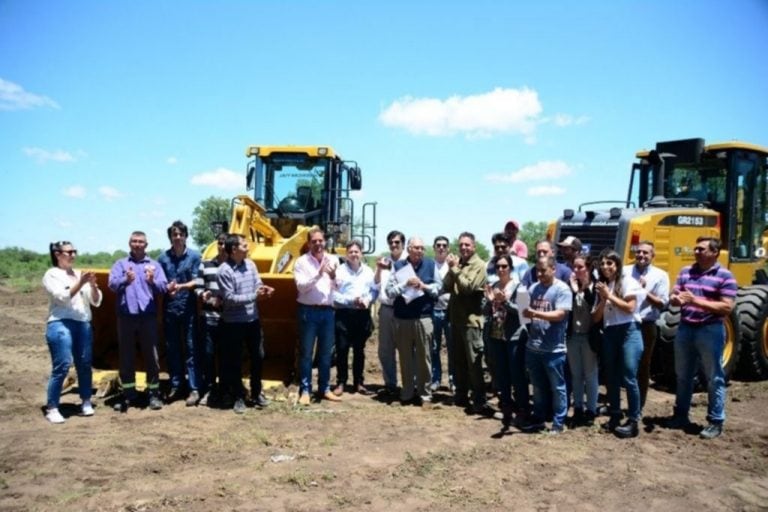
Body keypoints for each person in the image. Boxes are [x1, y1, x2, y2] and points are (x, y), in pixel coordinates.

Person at [666, 237, 737, 439]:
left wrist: (694, 300)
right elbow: (675, 294)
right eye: (695, 248)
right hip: (686, 328)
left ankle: (715, 421)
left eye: (701, 249)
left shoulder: (726, 276)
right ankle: (681, 416)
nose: (696, 251)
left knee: (714, 377)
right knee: (683, 376)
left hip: (710, 330)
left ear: (715, 252)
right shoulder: (686, 271)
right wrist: (675, 299)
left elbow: (726, 307)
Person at [42, 241, 103, 423]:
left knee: (84, 363)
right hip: (61, 322)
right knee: (62, 364)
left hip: (83, 322)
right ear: (57, 254)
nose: (73, 255)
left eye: (74, 251)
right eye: (69, 252)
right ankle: (52, 406)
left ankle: (85, 401)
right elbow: (62, 298)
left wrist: (92, 285)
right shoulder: (52, 274)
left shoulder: (78, 274)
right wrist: (81, 282)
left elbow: (96, 301)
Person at [108, 231, 168, 412]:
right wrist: (126, 280)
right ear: (129, 244)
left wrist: (152, 281)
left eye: (140, 241)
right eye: (134, 241)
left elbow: (163, 287)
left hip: (147, 316)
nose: (137, 244)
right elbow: (112, 285)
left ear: (146, 245)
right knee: (126, 356)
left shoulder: (154, 265)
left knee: (152, 356)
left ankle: (153, 394)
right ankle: (129, 394)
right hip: (126, 316)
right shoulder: (121, 264)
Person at [217, 234, 275, 414]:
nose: (248, 247)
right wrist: (254, 297)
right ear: (234, 249)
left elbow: (257, 283)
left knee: (258, 356)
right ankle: (238, 397)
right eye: (244, 244)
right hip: (233, 324)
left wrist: (264, 289)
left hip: (252, 321)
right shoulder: (224, 271)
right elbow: (229, 298)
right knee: (234, 361)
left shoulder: (251, 264)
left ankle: (256, 393)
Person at [592, 249, 643, 438]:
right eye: (602, 264)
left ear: (617, 265)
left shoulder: (628, 281)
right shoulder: (602, 286)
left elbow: (630, 308)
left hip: (629, 329)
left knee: (629, 375)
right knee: (611, 376)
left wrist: (610, 296)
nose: (605, 267)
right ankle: (615, 414)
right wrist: (602, 300)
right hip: (610, 330)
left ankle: (633, 420)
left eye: (609, 263)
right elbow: (596, 318)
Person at [386, 236, 442, 405]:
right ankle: (407, 392)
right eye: (416, 247)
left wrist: (423, 286)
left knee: (424, 358)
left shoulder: (431, 265)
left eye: (422, 248)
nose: (419, 251)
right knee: (405, 357)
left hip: (423, 318)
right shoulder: (398, 266)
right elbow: (389, 291)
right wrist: (405, 284)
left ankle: (425, 394)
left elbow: (438, 288)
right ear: (408, 249)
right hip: (403, 319)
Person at [521, 255, 572, 434]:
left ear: (553, 269)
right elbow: (525, 312)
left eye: (543, 270)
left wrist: (535, 313)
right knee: (538, 386)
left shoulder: (562, 289)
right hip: (533, 346)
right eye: (537, 271)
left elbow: (560, 315)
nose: (540, 274)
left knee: (557, 387)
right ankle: (539, 418)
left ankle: (559, 422)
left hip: (554, 349)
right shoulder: (534, 288)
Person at [443, 232, 489, 414]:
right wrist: (451, 269)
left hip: (471, 323)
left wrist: (455, 269)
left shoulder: (479, 266)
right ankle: (461, 396)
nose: (463, 248)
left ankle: (479, 399)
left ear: (474, 247)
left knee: (474, 364)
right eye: (461, 245)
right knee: (458, 362)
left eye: (467, 245)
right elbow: (446, 286)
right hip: (456, 320)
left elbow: (468, 288)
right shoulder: (458, 264)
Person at [294, 227, 340, 405]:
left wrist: (334, 276)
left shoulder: (334, 259)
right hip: (308, 312)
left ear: (325, 241)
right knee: (306, 353)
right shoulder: (301, 262)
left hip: (328, 312)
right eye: (314, 241)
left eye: (321, 240)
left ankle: (324, 389)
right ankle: (305, 390)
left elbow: (339, 287)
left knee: (325, 354)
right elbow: (301, 287)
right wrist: (319, 273)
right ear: (309, 243)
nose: (318, 244)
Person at [158, 220, 203, 406]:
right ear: (170, 237)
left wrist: (181, 286)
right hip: (170, 309)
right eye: (174, 234)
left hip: (188, 309)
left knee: (192, 348)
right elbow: (159, 282)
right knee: (173, 348)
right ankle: (176, 385)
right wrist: (164, 286)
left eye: (180, 234)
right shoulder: (163, 258)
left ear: (185, 236)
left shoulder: (194, 256)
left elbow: (197, 280)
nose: (177, 237)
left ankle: (194, 388)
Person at [483, 253, 527, 427]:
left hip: (514, 336)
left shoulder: (519, 286)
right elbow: (484, 312)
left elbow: (524, 313)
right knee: (501, 374)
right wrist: (490, 301)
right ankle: (506, 406)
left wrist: (506, 302)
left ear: (510, 268)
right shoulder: (492, 286)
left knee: (517, 375)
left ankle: (523, 409)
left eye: (504, 266)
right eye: (498, 266)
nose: (501, 269)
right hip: (496, 335)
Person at [624, 241, 669, 407]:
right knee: (625, 366)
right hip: (625, 323)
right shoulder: (625, 271)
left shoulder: (660, 275)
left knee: (642, 366)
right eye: (639, 252)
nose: (641, 255)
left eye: (646, 253)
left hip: (646, 325)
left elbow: (662, 304)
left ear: (652, 256)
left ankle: (638, 406)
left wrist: (643, 291)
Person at [332, 240, 377, 396]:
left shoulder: (369, 271)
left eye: (356, 251)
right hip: (344, 314)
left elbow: (374, 290)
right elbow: (334, 294)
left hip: (362, 315)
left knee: (359, 350)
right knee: (342, 349)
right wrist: (351, 300)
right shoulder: (339, 271)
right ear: (346, 254)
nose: (353, 254)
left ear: (361, 253)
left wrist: (367, 300)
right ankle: (341, 382)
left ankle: (359, 382)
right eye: (350, 252)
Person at [194, 232, 228, 407]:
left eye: (225, 243)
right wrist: (203, 295)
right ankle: (209, 389)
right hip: (209, 318)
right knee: (208, 355)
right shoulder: (206, 265)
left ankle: (224, 389)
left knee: (226, 356)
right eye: (220, 243)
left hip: (229, 320)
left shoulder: (234, 266)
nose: (222, 246)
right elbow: (198, 287)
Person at [566, 254, 599, 427]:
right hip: (573, 336)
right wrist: (573, 289)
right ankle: (578, 407)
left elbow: (593, 305)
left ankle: (591, 410)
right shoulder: (570, 286)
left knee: (591, 374)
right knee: (576, 374)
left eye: (580, 267)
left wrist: (581, 289)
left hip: (588, 336)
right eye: (575, 267)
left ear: (589, 268)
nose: (576, 271)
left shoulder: (596, 287)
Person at [374, 230, 406, 396]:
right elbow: (376, 283)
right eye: (391, 242)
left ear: (403, 244)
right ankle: (390, 384)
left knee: (406, 350)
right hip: (386, 309)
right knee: (385, 350)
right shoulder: (384, 261)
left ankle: (409, 385)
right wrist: (379, 269)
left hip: (403, 310)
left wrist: (391, 267)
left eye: (397, 242)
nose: (394, 245)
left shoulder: (408, 262)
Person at [430, 236, 453, 392]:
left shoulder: (452, 265)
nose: (441, 248)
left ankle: (453, 380)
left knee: (452, 348)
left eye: (444, 245)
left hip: (450, 312)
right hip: (433, 310)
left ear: (448, 248)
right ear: (434, 248)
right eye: (438, 245)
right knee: (434, 347)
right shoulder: (429, 265)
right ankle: (435, 379)